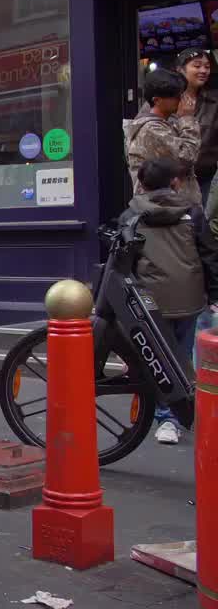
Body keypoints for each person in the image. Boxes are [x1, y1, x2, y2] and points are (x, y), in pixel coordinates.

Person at [119, 157, 218, 445]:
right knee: (183, 357)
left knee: (156, 358)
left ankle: (167, 418)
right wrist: (214, 294)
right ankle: (187, 412)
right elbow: (209, 256)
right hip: (189, 297)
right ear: (174, 182)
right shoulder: (193, 213)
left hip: (149, 301)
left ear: (141, 183)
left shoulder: (130, 215)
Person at [126, 69, 201, 206]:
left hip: (174, 209)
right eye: (176, 96)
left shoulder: (167, 122)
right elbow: (187, 157)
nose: (182, 100)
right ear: (157, 100)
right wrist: (187, 119)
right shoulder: (152, 129)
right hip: (165, 212)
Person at [176, 49, 218, 204]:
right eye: (197, 66)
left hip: (205, 178)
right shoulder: (165, 97)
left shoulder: (214, 101)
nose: (203, 70)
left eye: (207, 66)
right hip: (171, 179)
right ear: (180, 69)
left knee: (199, 223)